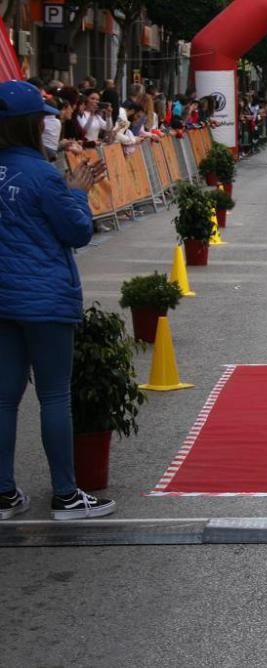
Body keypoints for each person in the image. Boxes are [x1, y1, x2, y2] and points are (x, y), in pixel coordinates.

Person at [0, 80, 115, 521]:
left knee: (4, 397)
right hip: (44, 299)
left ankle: (5, 494)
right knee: (54, 395)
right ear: (30, 126)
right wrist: (77, 192)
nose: (52, 126)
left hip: (4, 300)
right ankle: (66, 495)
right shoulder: (43, 175)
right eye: (46, 119)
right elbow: (76, 231)